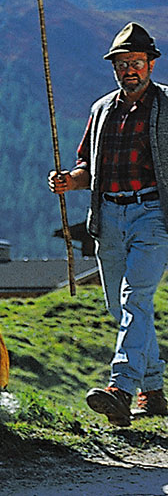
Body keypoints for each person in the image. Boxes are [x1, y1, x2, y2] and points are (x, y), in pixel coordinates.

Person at [49, 22, 168, 426]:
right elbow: (88, 167)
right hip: (108, 216)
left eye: (136, 62)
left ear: (151, 64)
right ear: (115, 68)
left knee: (136, 299)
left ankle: (122, 388)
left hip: (152, 214)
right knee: (121, 307)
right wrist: (70, 181)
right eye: (121, 64)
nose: (129, 70)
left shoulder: (167, 106)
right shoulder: (102, 110)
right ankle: (154, 392)